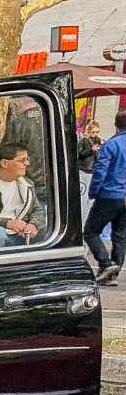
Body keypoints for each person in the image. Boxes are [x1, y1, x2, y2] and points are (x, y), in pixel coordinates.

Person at [84, 110, 126, 284]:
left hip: (109, 194)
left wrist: (94, 192)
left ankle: (105, 263)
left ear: (116, 125)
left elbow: (100, 171)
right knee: (120, 237)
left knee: (91, 231)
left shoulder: (111, 144)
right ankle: (112, 275)